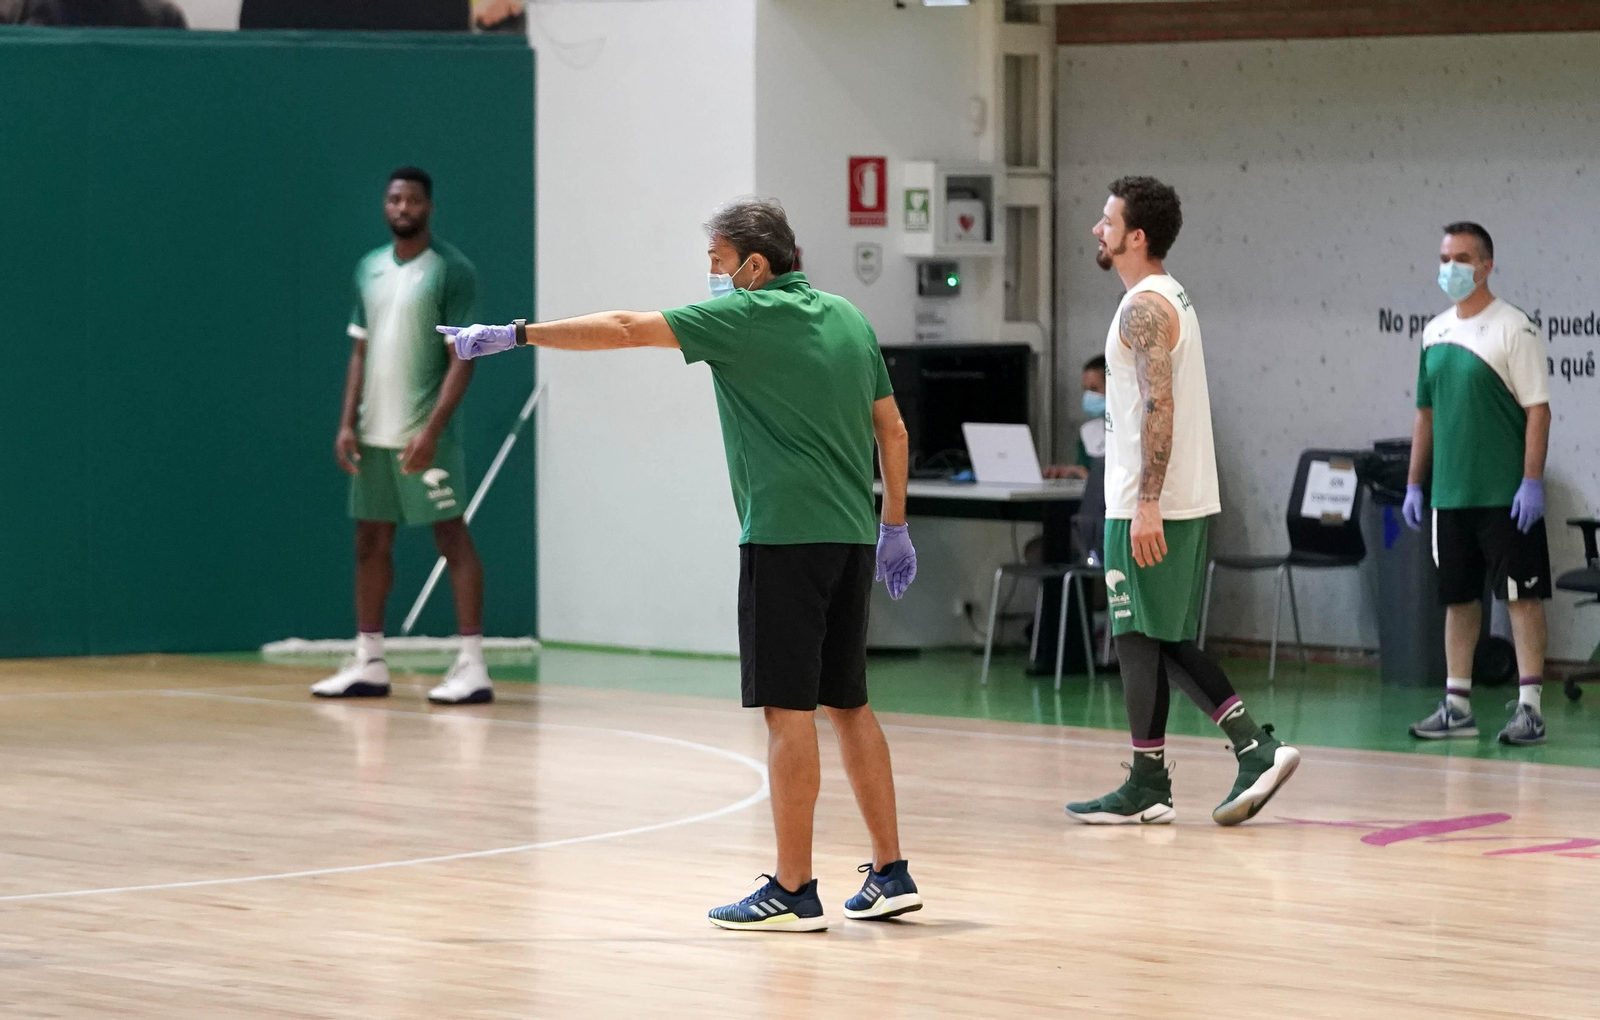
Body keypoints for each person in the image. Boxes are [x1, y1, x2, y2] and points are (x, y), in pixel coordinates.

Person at [439, 198, 923, 932]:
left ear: (755, 266)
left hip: (784, 540)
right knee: (848, 705)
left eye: (718, 266)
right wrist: (894, 526)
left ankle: (794, 889)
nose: (713, 282)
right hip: (852, 539)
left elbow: (627, 328)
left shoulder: (743, 319)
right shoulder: (849, 319)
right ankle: (891, 874)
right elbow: (893, 430)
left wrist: (514, 334)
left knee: (787, 712)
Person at [1063, 176, 1300, 826]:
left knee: (1154, 638)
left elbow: (1158, 406)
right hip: (1151, 498)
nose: (1097, 229)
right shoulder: (1165, 297)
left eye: (1107, 220)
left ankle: (1256, 747)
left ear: (1136, 236)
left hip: (1154, 503)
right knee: (1140, 638)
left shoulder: (1144, 307)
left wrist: (1146, 504)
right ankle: (1148, 781)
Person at [312, 167, 495, 707]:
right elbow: (360, 350)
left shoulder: (451, 271)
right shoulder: (368, 268)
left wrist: (433, 430)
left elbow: (464, 358)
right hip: (374, 436)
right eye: (394, 199)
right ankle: (368, 659)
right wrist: (348, 422)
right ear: (385, 205)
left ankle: (473, 665)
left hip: (426, 438)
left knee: (451, 538)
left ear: (429, 208)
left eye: (412, 200)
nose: (402, 207)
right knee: (369, 542)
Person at [1403, 222, 1552, 745]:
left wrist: (1530, 481)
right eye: (1445, 257)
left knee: (1521, 598)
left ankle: (1530, 708)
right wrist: (1415, 483)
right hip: (1450, 497)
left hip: (1506, 496)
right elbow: (1425, 414)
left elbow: (1539, 410)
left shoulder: (1515, 327)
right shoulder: (1433, 331)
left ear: (1486, 265)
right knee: (1459, 600)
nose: (1450, 268)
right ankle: (1457, 706)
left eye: (1462, 258)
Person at [1043, 354, 1107, 481]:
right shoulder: (1088, 432)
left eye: (1094, 389)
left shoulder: (1137, 431)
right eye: (1085, 389)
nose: (1089, 396)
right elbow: (1083, 470)